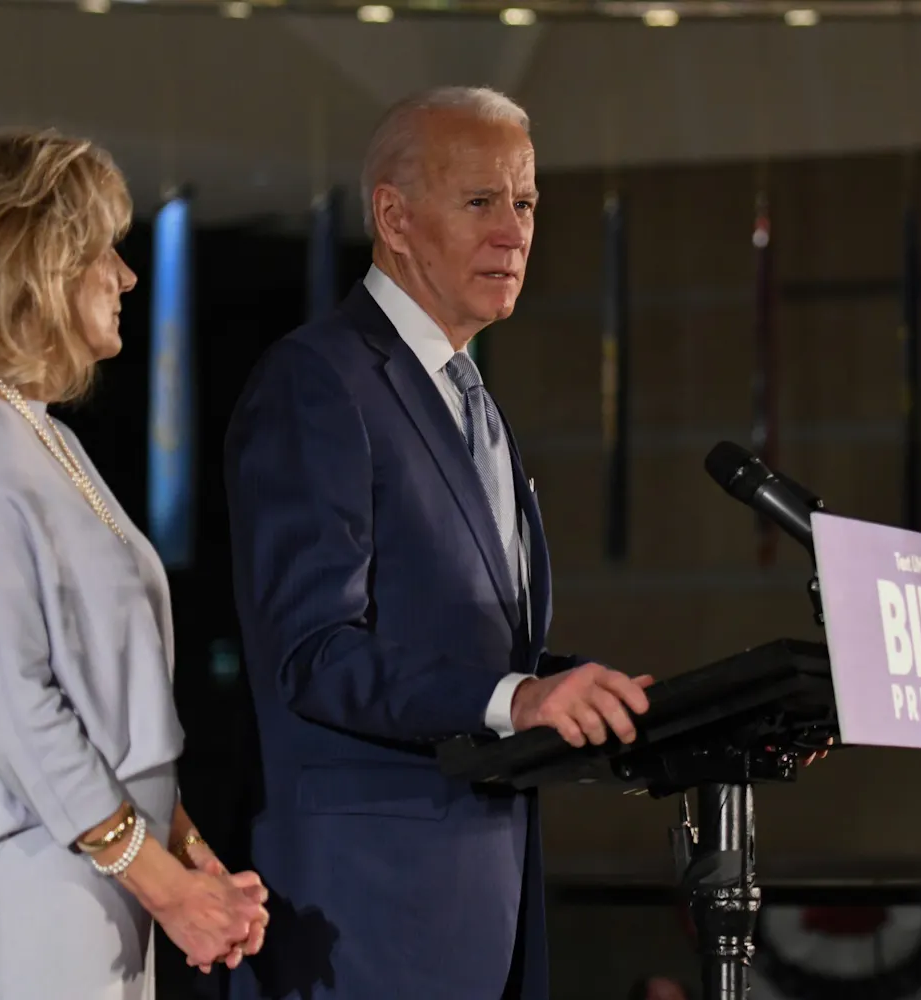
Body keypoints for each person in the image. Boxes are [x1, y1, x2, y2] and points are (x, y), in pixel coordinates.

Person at [223, 86, 653, 1000]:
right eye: (480, 201)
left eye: (526, 203)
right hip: (356, 920)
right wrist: (519, 697)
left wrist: (587, 695)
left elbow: (472, 650)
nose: (514, 233)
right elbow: (315, 651)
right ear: (394, 217)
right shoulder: (319, 381)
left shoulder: (471, 397)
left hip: (481, 911)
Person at [0, 128, 268, 1000]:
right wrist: (167, 885)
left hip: (80, 892)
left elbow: (110, 717)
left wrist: (193, 865)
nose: (124, 276)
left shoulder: (36, 436)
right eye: (99, 252)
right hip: (17, 904)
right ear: (26, 263)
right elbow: (9, 702)